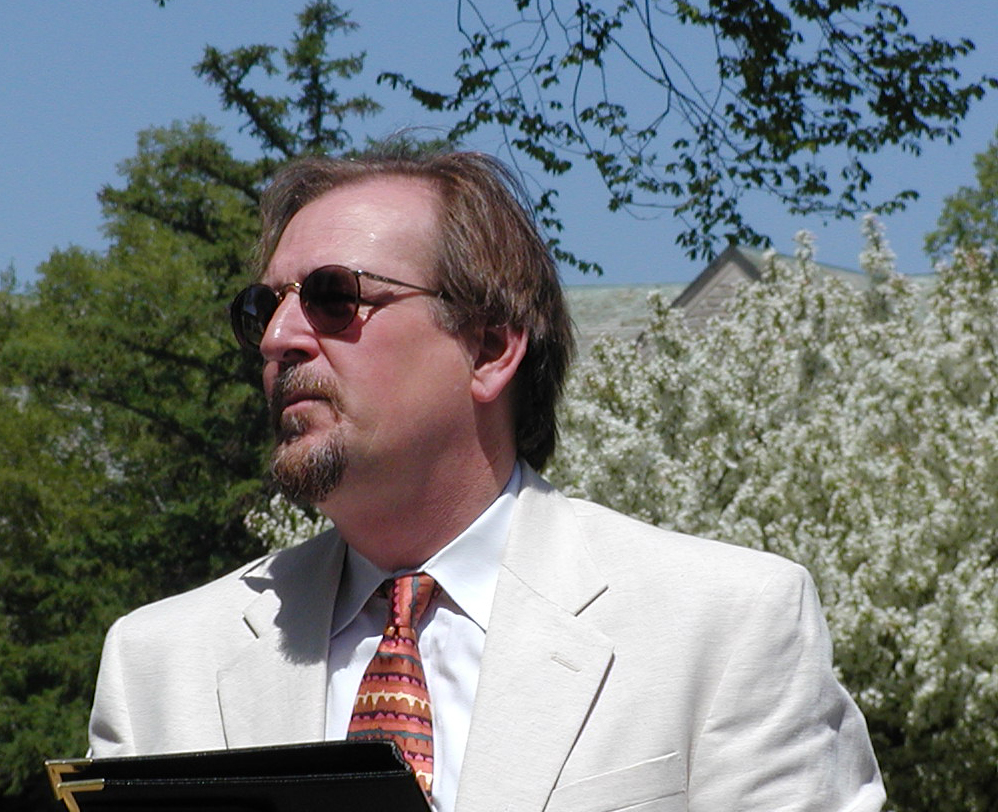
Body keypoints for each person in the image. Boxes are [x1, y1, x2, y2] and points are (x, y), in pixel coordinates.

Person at [88, 148, 885, 811]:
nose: (279, 338)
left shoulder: (725, 627)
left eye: (334, 298)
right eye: (264, 307)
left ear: (491, 349)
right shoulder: (160, 666)